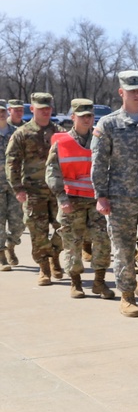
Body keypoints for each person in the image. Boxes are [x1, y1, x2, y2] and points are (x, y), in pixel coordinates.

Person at [92, 71, 138, 317]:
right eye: (131, 90)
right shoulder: (108, 124)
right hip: (119, 198)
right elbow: (99, 162)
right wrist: (100, 195)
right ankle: (127, 294)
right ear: (121, 92)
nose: (136, 94)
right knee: (123, 248)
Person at [44, 99, 113, 299]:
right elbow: (52, 172)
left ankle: (99, 282)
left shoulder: (101, 140)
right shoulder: (62, 141)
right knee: (72, 243)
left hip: (96, 201)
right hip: (71, 201)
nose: (87, 119)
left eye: (90, 116)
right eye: (82, 116)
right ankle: (75, 282)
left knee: (103, 240)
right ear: (73, 117)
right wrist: (61, 197)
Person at [4, 92, 64, 285]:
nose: (45, 111)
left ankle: (55, 255)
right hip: (33, 191)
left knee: (63, 227)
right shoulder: (22, 133)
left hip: (57, 191)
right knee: (37, 231)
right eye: (41, 109)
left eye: (48, 108)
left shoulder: (60, 133)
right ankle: (44, 267)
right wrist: (17, 188)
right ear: (33, 109)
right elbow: (12, 162)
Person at [0, 100, 25, 271]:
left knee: (18, 222)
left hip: (16, 184)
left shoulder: (18, 133)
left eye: (2, 111)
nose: (1, 114)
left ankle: (11, 245)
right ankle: (1, 254)